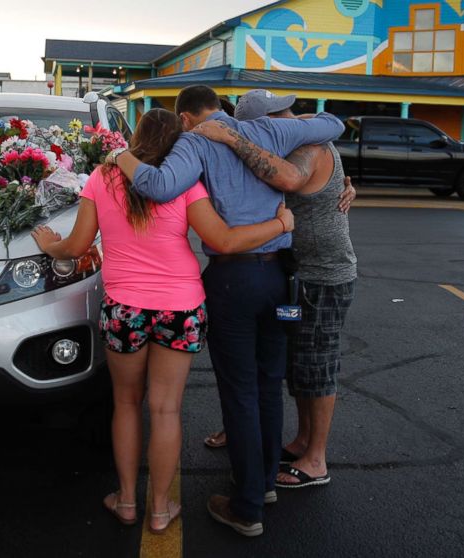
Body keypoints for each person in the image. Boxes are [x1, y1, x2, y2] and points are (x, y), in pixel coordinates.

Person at [32, 108, 293, 535]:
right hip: (180, 307)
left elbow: (77, 246)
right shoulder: (186, 183)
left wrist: (51, 244)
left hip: (125, 308)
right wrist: (280, 223)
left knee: (127, 403)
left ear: (136, 138)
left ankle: (128, 502)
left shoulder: (103, 176)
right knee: (166, 408)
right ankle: (159, 509)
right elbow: (223, 240)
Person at [108, 85, 345, 537]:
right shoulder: (268, 130)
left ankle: (248, 505)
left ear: (187, 118)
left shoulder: (195, 141)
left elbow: (158, 186)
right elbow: (333, 123)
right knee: (268, 383)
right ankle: (263, 482)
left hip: (232, 278)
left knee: (239, 390)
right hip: (279, 278)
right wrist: (290, 126)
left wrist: (122, 157)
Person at [194, 89, 357, 489]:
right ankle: (293, 440)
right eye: (281, 114)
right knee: (294, 364)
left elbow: (287, 177)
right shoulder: (288, 145)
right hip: (291, 273)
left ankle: (315, 459)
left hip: (323, 275)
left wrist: (230, 138)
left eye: (287, 112)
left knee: (317, 365)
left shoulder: (309, 147)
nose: (291, 116)